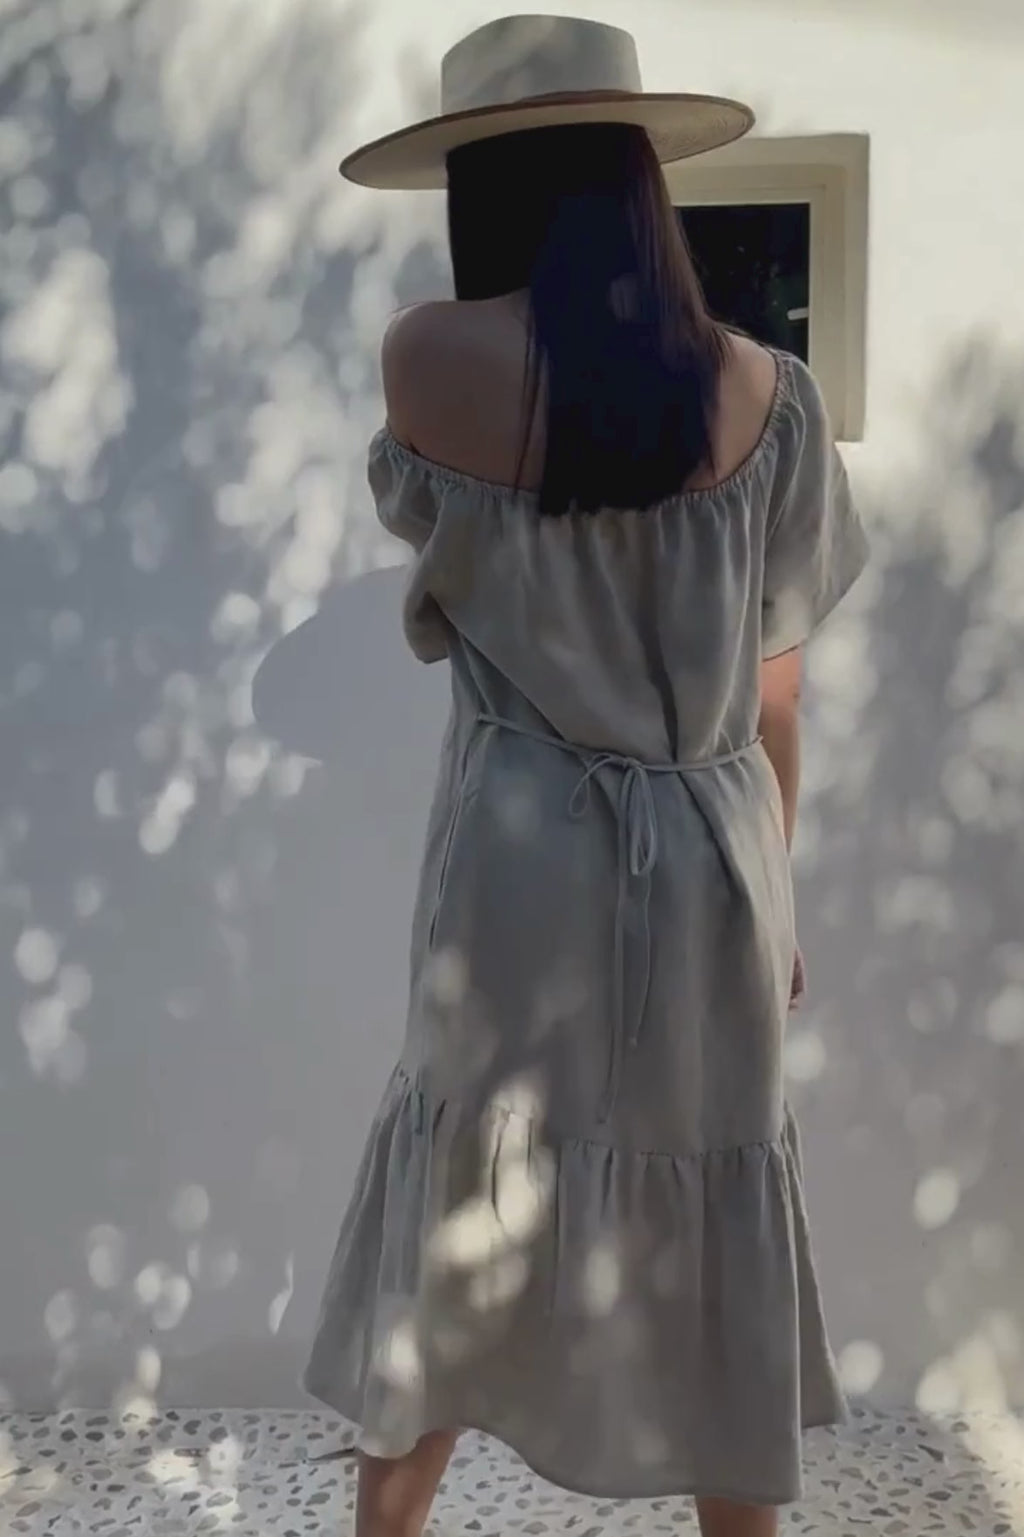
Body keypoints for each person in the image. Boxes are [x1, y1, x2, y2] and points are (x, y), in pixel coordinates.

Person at [302, 16, 869, 1537]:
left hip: (514, 863)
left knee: (460, 1208)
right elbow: (777, 693)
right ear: (637, 176)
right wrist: (774, 891)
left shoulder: (429, 359)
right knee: (720, 1208)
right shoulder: (771, 393)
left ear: (480, 185)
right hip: (717, 862)